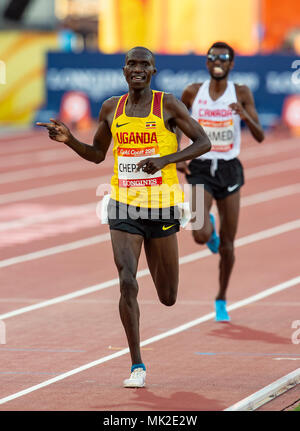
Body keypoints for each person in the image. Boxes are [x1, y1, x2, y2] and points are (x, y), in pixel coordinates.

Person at [37, 46, 211, 388]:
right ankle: (137, 365)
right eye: (132, 63)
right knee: (127, 280)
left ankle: (143, 348)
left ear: (153, 71)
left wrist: (165, 160)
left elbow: (203, 142)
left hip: (161, 205)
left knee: (168, 296)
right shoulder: (111, 108)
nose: (137, 69)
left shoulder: (168, 105)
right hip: (123, 204)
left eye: (144, 64)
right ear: (124, 69)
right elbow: (98, 154)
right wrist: (70, 140)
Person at [177, 41, 264, 322]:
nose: (218, 61)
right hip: (201, 167)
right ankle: (209, 232)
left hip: (229, 170)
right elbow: (175, 122)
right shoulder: (192, 92)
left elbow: (260, 135)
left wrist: (245, 114)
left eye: (223, 57)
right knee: (200, 233)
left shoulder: (240, 92)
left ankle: (221, 298)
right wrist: (178, 155)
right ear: (206, 62)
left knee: (228, 245)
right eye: (212, 56)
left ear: (231, 64)